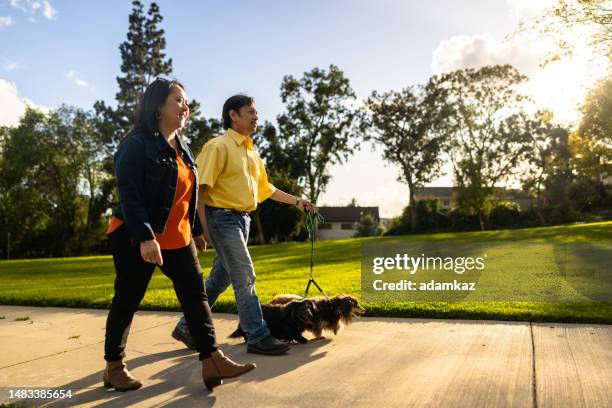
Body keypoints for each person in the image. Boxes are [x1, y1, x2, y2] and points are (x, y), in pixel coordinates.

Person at [103, 78, 255, 392]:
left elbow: (188, 193)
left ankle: (211, 359)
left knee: (195, 296)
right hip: (136, 235)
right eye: (179, 100)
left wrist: (197, 231)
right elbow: (129, 195)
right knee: (128, 299)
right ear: (159, 106)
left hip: (178, 237)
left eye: (186, 101)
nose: (186, 106)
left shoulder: (181, 146)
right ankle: (114, 367)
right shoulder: (136, 144)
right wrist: (145, 237)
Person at [171, 94, 314, 355]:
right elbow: (199, 191)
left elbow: (266, 189)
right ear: (233, 115)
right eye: (250, 111)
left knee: (220, 279)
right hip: (221, 218)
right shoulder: (218, 146)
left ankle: (187, 326)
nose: (256, 116)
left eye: (256, 112)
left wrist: (297, 201)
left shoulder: (251, 152)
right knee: (245, 275)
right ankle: (257, 335)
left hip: (241, 221)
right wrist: (201, 229)